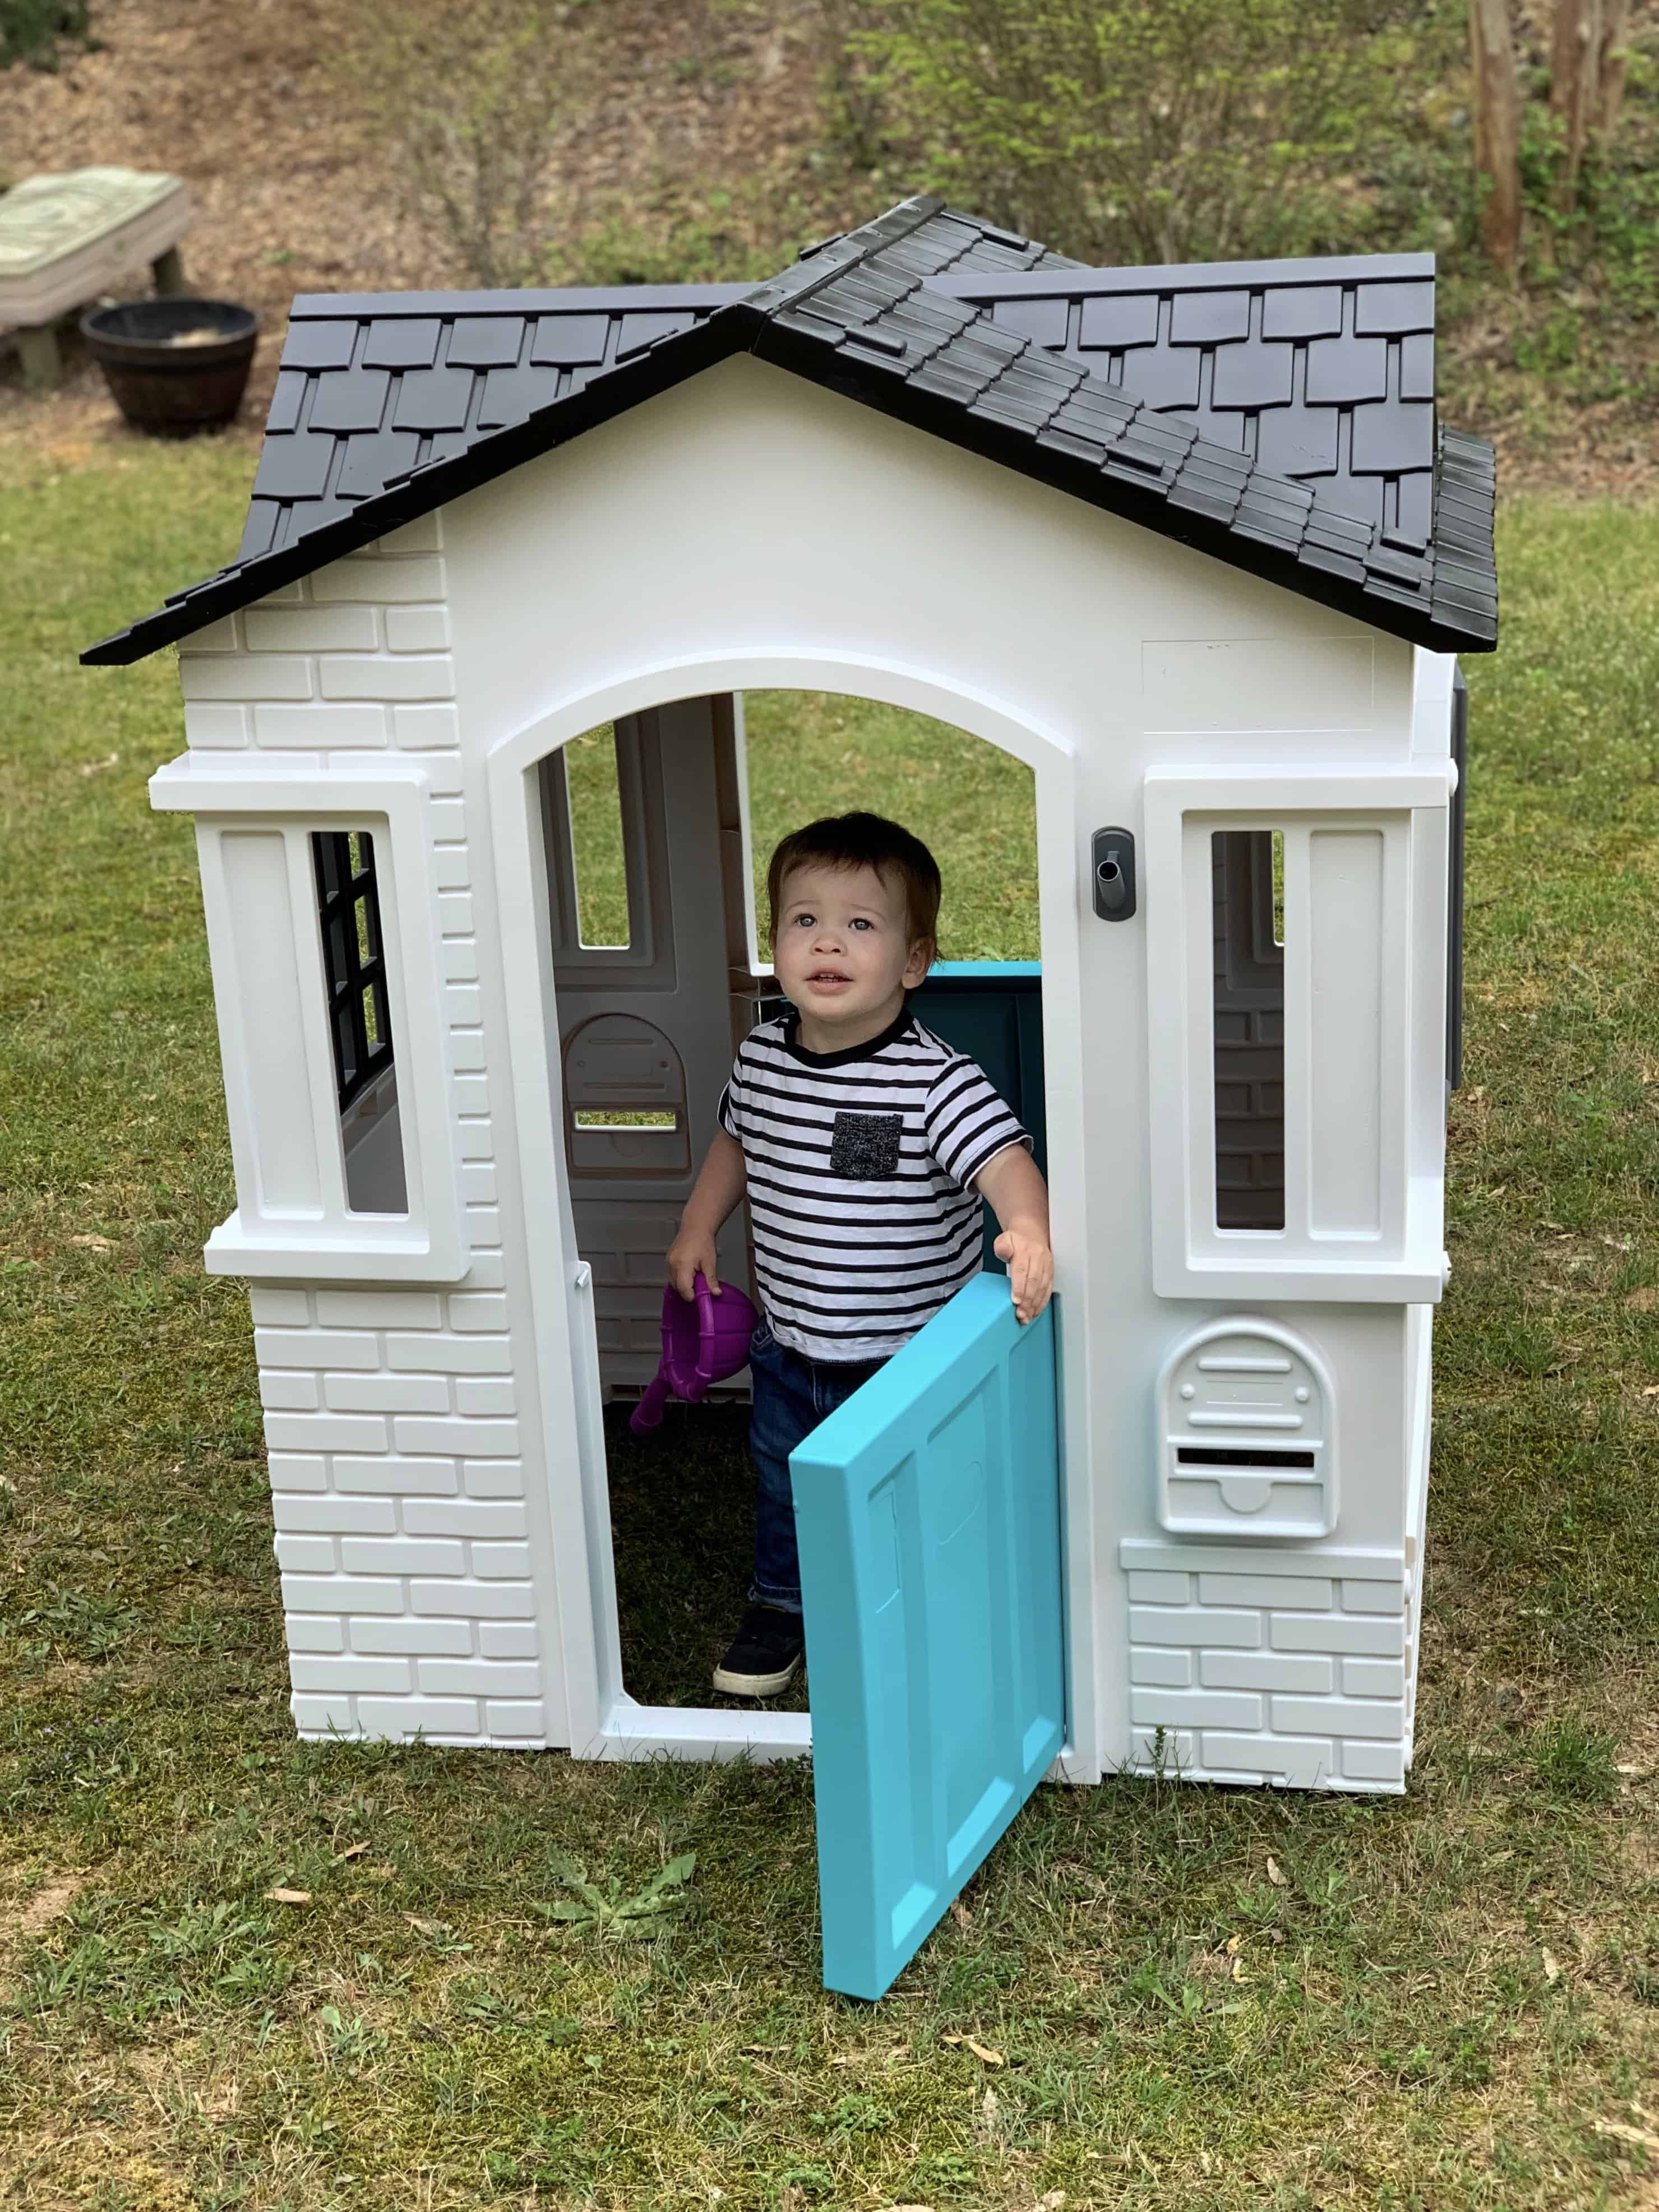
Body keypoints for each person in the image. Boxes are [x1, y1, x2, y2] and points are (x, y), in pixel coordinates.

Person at [665, 810, 1055, 1697]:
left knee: (913, 1488)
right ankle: (783, 1603)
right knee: (786, 1484)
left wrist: (1026, 1230)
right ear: (775, 944)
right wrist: (698, 1226)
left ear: (913, 962)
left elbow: (1005, 1161)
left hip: (905, 1359)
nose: (827, 942)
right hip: (789, 1345)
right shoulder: (763, 1055)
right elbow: (737, 1141)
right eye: (804, 920)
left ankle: (920, 1600)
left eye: (860, 924)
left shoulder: (933, 1080)